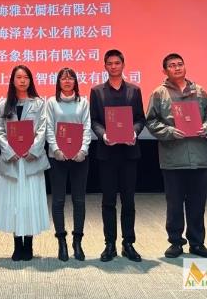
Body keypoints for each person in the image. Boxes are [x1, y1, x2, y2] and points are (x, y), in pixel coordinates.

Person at [145, 53, 207, 259]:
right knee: (175, 204)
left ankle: (197, 243)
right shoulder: (159, 93)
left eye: (180, 64)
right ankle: (175, 242)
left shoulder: (200, 91)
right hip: (173, 158)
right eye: (172, 65)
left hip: (198, 157)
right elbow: (151, 121)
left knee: (197, 204)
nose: (177, 68)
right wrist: (169, 131)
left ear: (185, 67)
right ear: (165, 70)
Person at [89, 49, 146, 262]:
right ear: (105, 66)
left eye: (117, 63)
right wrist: (103, 135)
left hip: (129, 152)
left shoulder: (134, 90)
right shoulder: (97, 92)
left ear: (123, 64)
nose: (113, 66)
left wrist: (134, 132)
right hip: (107, 152)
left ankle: (128, 243)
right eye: (110, 63)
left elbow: (140, 118)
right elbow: (94, 120)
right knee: (108, 201)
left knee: (128, 201)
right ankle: (110, 244)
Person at [0, 65, 50, 261]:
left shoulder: (39, 103)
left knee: (30, 202)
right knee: (14, 203)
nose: (22, 80)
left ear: (30, 80)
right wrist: (10, 151)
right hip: (12, 160)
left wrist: (33, 150)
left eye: (26, 77)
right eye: (18, 77)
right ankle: (17, 244)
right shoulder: (3, 104)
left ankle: (29, 245)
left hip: (30, 159)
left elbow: (43, 128)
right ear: (12, 80)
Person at [45, 67, 91, 261]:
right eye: (63, 78)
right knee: (58, 201)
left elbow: (87, 127)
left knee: (79, 200)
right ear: (58, 82)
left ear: (75, 82)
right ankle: (61, 241)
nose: (67, 81)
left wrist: (83, 150)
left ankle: (77, 242)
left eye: (71, 78)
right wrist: (56, 149)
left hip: (79, 158)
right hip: (58, 158)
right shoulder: (51, 102)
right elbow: (48, 127)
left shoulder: (83, 102)